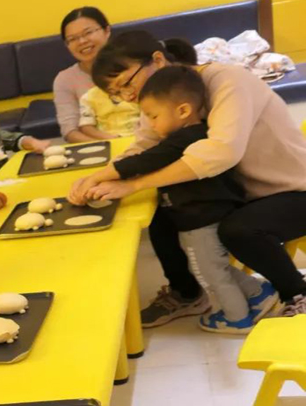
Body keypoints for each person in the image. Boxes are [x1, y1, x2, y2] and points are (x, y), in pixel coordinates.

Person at [70, 30, 306, 321]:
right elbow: (144, 146)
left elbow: (221, 152)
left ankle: (296, 292)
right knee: (163, 215)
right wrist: (103, 176)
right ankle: (187, 293)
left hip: (293, 190)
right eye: (117, 93)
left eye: (127, 83)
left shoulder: (227, 80)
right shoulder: (158, 96)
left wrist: (135, 184)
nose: (128, 96)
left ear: (157, 60)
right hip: (242, 193)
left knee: (237, 230)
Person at [54, 7, 116, 142]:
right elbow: (70, 131)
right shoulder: (65, 79)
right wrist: (111, 145)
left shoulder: (131, 64)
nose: (82, 41)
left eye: (88, 32)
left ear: (107, 31)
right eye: (72, 39)